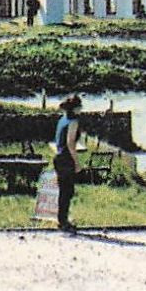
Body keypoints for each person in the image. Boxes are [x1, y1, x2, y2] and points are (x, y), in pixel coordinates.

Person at [54, 94, 82, 232]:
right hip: (66, 158)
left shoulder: (62, 119)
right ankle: (63, 221)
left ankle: (62, 219)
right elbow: (70, 143)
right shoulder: (73, 122)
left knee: (63, 191)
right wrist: (77, 162)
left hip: (59, 156)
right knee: (67, 191)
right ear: (76, 108)